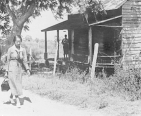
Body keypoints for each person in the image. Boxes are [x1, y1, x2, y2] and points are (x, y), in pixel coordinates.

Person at [4, 35, 30, 107]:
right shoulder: (10, 49)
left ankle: (10, 98)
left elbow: (25, 61)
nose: (18, 43)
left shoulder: (23, 50)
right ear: (14, 41)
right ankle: (18, 101)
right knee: (13, 84)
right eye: (17, 41)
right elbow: (8, 61)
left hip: (19, 69)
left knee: (17, 84)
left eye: (19, 41)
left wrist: (27, 69)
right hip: (11, 68)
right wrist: (6, 71)